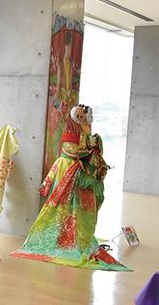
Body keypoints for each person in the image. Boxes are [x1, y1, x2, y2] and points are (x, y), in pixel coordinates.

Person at [11, 105, 130, 271]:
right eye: (80, 115)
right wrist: (89, 149)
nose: (82, 117)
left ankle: (76, 238)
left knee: (79, 208)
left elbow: (83, 149)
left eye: (84, 115)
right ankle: (64, 239)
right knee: (65, 206)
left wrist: (89, 148)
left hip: (80, 171)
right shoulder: (72, 128)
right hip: (70, 168)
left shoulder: (85, 130)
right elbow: (72, 151)